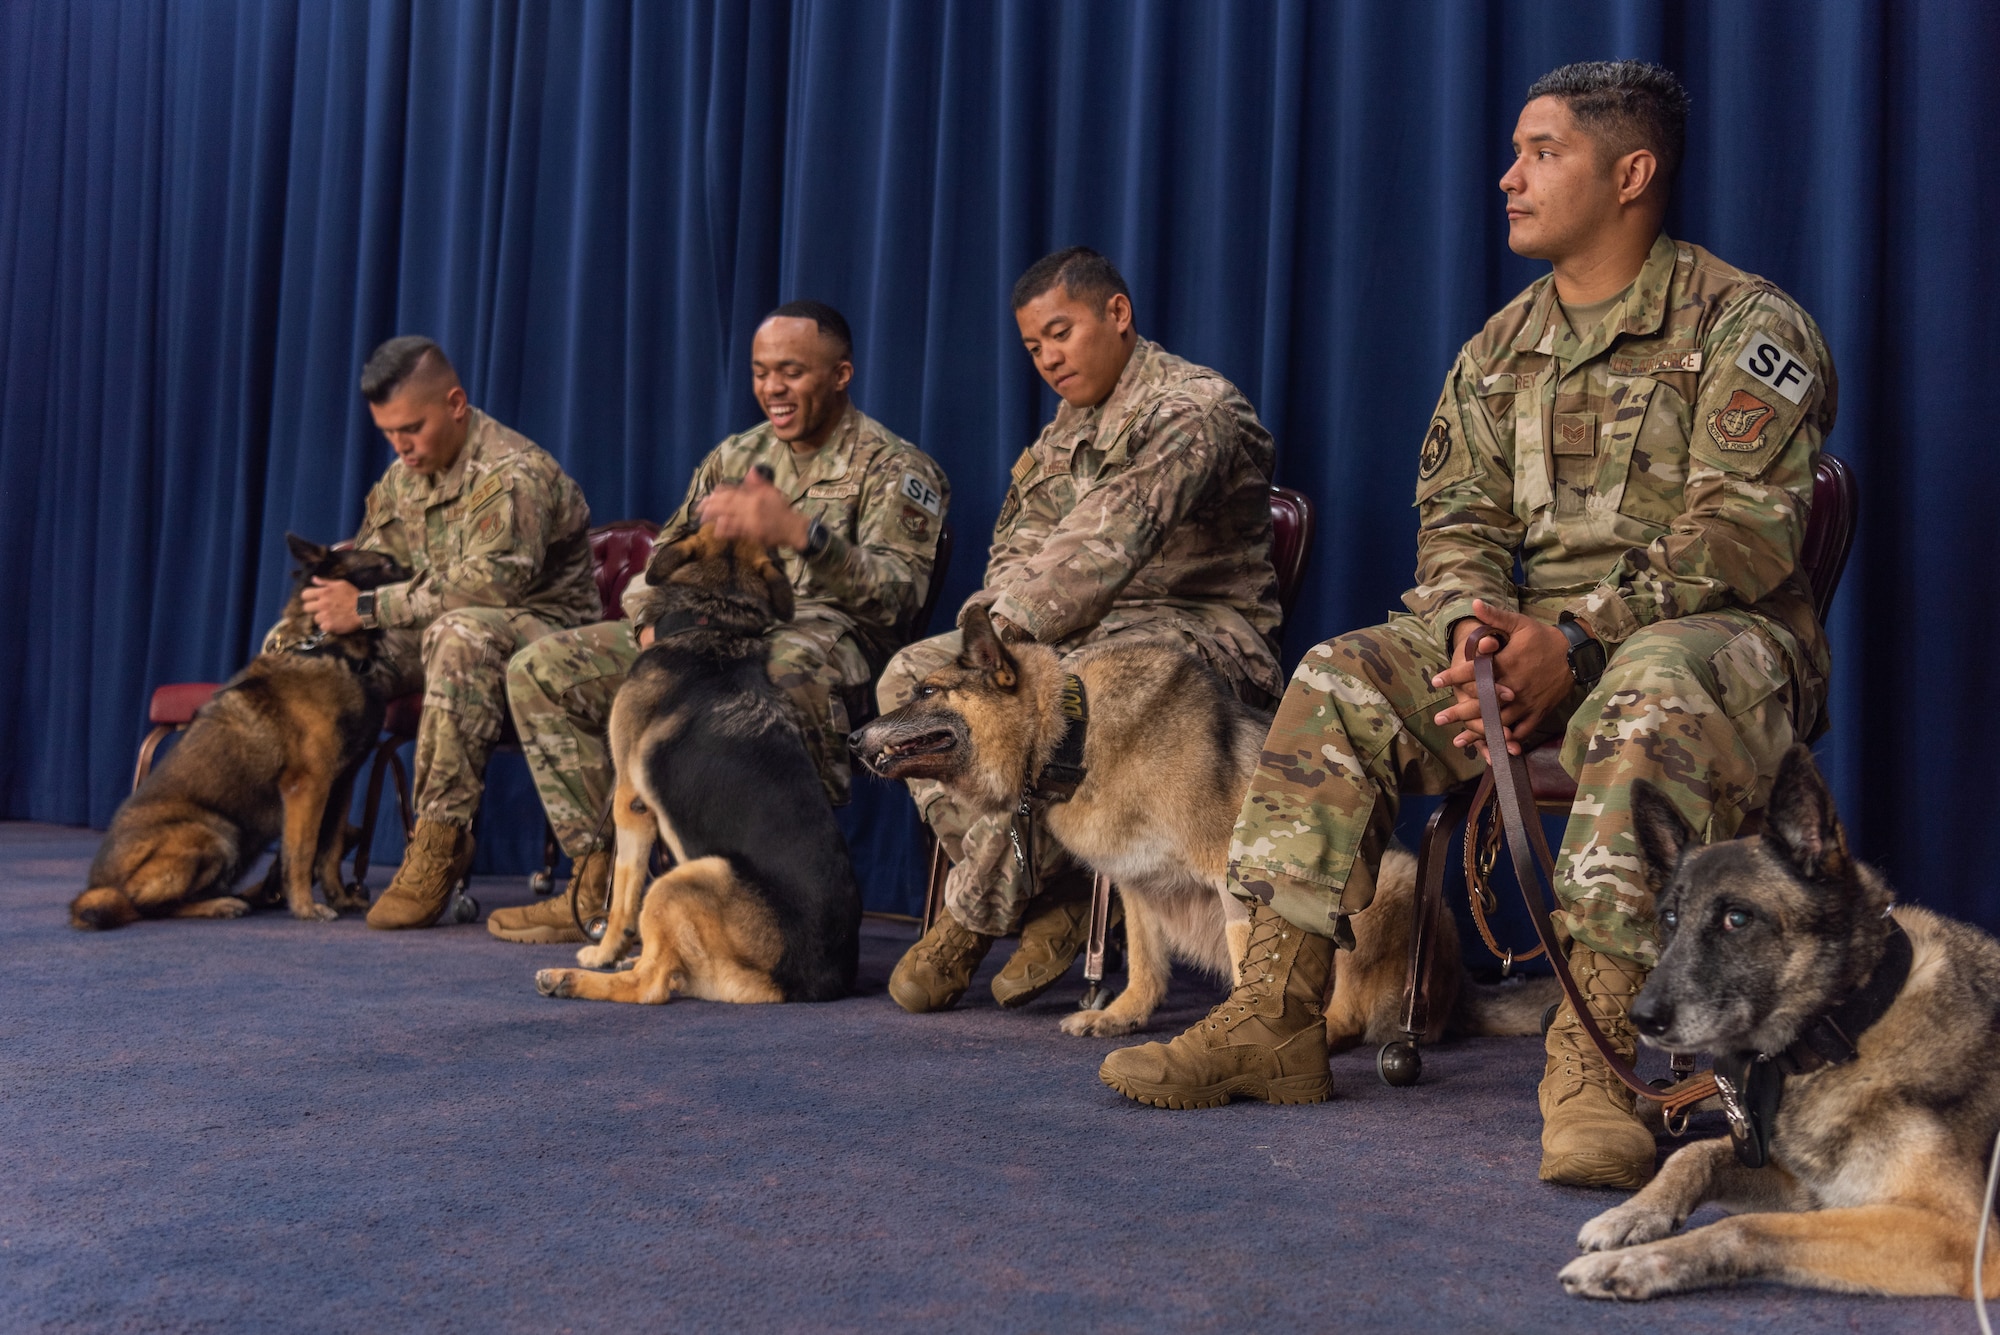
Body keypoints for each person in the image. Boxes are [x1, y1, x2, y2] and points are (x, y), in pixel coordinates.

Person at [1099, 62, 1838, 1192]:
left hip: (1703, 647)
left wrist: (1577, 639)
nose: (1508, 176)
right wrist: (1469, 628)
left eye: (1541, 151)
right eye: (1513, 151)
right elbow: (1456, 519)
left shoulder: (1746, 326)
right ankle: (1274, 1018)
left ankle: (1591, 1058)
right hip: (1524, 644)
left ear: (1629, 172)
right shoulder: (1497, 349)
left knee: (1647, 687)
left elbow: (1741, 535)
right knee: (1339, 675)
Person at [884, 247, 1282, 1014]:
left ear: (1118, 315)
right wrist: (986, 647)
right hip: (1070, 644)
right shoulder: (1062, 435)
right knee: (911, 680)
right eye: (1034, 347)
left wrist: (1002, 640)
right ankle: (1048, 887)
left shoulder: (1193, 409)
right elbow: (1017, 548)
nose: (1048, 358)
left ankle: (972, 917)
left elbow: (1104, 543)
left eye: (1061, 333)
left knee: (1056, 707)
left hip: (1198, 646)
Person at [490, 301, 949, 944]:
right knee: (541, 668)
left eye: (791, 371)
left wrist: (804, 535)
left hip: (822, 634)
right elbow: (662, 560)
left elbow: (900, 599)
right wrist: (656, 619)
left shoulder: (897, 469)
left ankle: (786, 904)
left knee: (780, 676)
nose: (772, 388)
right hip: (698, 626)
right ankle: (597, 887)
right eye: (762, 372)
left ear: (841, 374)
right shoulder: (736, 455)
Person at [284, 336, 599, 929]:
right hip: (449, 629)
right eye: (388, 434)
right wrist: (317, 619)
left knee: (459, 633)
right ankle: (290, 845)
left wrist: (369, 610)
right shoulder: (406, 477)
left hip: (551, 638)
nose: (401, 447)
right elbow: (375, 561)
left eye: (412, 428)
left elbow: (491, 589)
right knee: (307, 655)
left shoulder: (512, 472)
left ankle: (439, 843)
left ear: (455, 403)